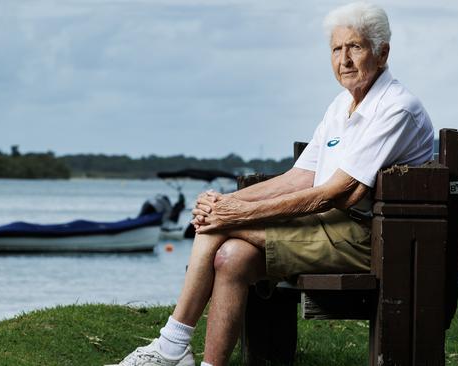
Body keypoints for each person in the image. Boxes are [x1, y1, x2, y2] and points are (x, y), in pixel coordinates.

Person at [106, 2, 434, 365]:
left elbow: (339, 192)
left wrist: (234, 212)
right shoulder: (341, 105)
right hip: (335, 227)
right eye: (337, 49)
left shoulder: (395, 108)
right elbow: (299, 178)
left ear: (382, 52)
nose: (345, 59)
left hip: (372, 241)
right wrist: (226, 201)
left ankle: (172, 346)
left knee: (216, 227)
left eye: (355, 47)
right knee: (232, 257)